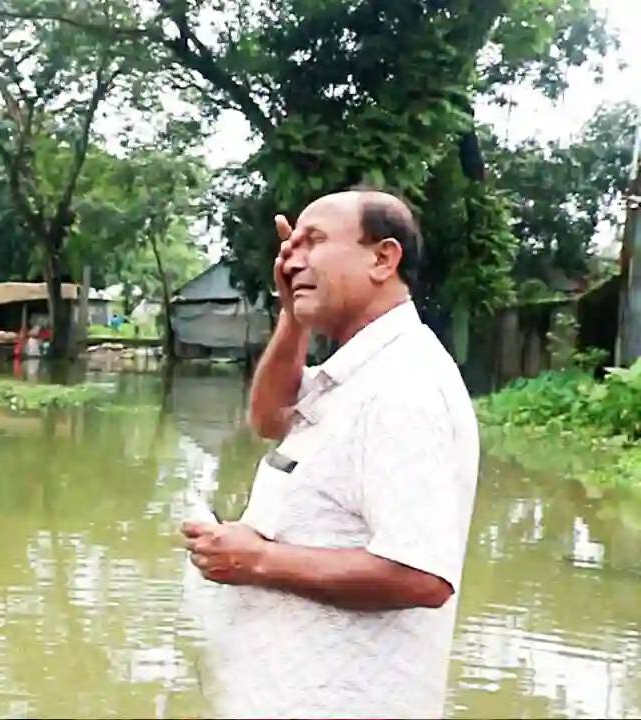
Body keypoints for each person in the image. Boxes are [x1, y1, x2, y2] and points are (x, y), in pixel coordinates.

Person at [180, 188, 480, 719]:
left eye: (313, 241)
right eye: (289, 246)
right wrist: (293, 315)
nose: (292, 258)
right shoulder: (360, 371)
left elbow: (423, 576)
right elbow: (270, 418)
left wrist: (257, 560)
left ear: (382, 258)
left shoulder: (404, 387)